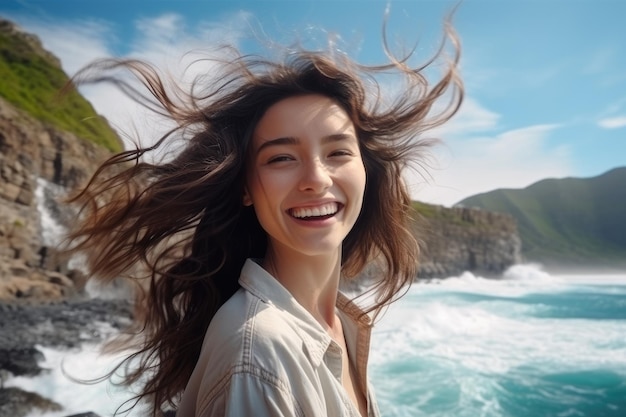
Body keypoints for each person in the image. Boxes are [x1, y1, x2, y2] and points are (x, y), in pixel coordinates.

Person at [65, 15, 462, 417]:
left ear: (366, 172)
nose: (315, 179)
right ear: (245, 188)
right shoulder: (259, 355)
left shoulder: (338, 323)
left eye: (338, 152)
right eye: (281, 158)